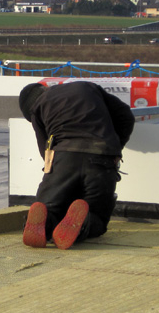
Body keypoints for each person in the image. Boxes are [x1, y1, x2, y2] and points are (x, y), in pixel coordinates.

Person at [18, 81, 135, 250]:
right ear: (44, 88)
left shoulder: (38, 107)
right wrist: (116, 148)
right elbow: (125, 116)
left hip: (63, 158)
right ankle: (84, 222)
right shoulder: (87, 87)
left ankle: (46, 221)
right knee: (98, 218)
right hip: (101, 156)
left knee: (51, 207)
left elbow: (46, 152)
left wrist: (55, 179)